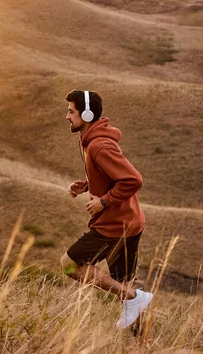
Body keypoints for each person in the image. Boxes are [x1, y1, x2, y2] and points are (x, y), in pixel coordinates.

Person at [60, 89, 153, 330]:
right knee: (125, 287)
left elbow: (133, 180)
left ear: (87, 114)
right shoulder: (94, 142)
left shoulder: (99, 145)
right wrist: (88, 185)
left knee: (69, 263)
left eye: (71, 112)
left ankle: (135, 298)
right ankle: (143, 344)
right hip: (129, 223)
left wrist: (103, 201)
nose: (67, 116)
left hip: (114, 225)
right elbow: (111, 175)